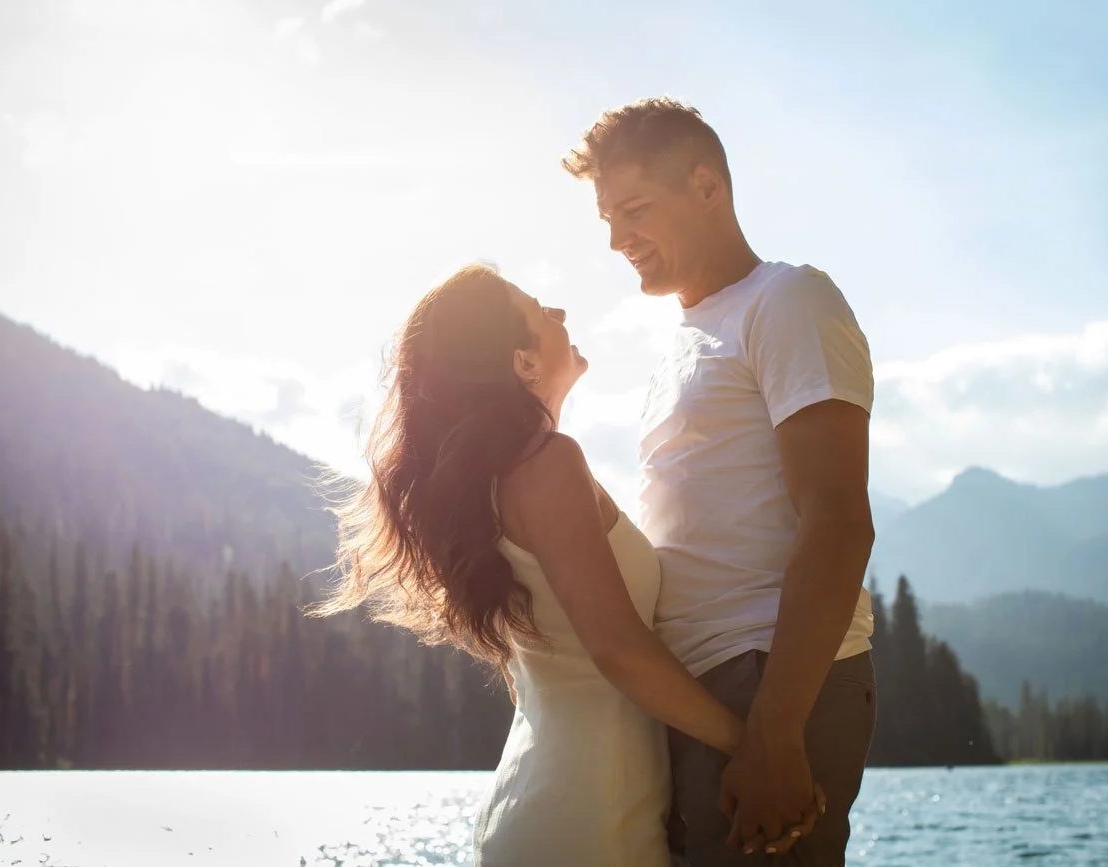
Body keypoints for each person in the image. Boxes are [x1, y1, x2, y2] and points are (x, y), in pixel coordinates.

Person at [311, 264, 816, 866]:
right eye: (541, 311)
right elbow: (618, 650)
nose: (562, 316)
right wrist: (756, 748)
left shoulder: (497, 486)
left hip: (550, 801)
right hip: (590, 814)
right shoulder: (548, 464)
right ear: (522, 362)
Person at [562, 97, 878, 865]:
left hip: (771, 679)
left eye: (633, 209)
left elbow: (837, 521)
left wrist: (774, 731)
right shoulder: (684, 338)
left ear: (708, 188)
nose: (616, 239)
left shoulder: (788, 300)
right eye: (606, 219)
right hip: (707, 697)